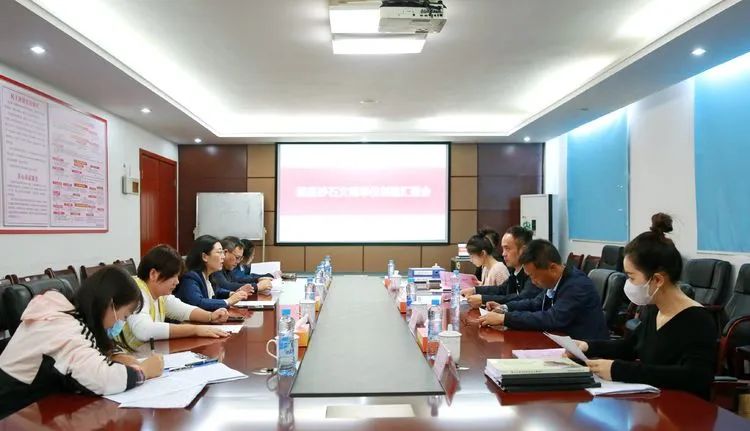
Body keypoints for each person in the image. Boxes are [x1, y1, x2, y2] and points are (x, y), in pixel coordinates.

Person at [574, 213, 716, 399]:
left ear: (657, 280)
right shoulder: (654, 308)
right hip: (653, 405)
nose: (628, 284)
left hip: (684, 408)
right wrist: (586, 346)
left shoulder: (698, 320)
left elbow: (694, 377)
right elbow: (631, 347)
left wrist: (619, 370)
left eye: (631, 277)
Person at [0, 267, 163, 418]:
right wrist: (144, 371)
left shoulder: (66, 312)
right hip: (14, 415)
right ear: (110, 304)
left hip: (35, 408)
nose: (121, 323)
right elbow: (101, 379)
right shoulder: (64, 326)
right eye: (124, 316)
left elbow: (88, 346)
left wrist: (114, 355)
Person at [478, 239, 609, 340]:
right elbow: (535, 303)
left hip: (587, 353)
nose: (533, 281)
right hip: (561, 342)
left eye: (533, 276)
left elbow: (551, 318)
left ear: (552, 268)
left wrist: (505, 319)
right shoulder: (556, 281)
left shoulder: (577, 285)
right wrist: (504, 308)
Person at [119, 244, 232, 348]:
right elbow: (144, 331)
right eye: (173, 276)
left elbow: (182, 309)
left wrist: (210, 316)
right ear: (153, 274)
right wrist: (195, 330)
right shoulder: (135, 292)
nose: (177, 282)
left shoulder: (159, 294)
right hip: (128, 359)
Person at [462, 226, 543, 308]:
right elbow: (502, 289)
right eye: (503, 249)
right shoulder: (515, 270)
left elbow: (522, 298)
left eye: (507, 249)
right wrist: (475, 290)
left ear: (523, 250)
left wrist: (483, 299)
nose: (503, 254)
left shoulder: (533, 273)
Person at [174, 235, 248, 311]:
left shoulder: (208, 275)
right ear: (204, 257)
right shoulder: (190, 277)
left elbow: (217, 291)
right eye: (219, 252)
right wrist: (228, 301)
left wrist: (230, 294)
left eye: (223, 253)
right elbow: (198, 302)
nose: (223, 256)